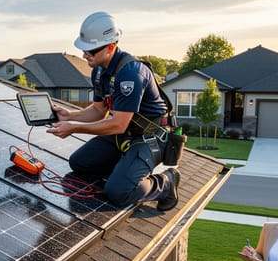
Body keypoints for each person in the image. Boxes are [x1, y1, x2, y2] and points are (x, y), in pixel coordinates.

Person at [47, 11, 179, 210]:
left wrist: (74, 127)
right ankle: (124, 172)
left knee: (118, 193)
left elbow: (118, 124)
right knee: (79, 163)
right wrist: (69, 115)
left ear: (110, 47)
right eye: (84, 50)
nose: (84, 55)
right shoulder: (99, 71)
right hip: (124, 135)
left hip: (149, 138)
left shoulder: (130, 74)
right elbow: (98, 110)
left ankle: (167, 183)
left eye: (91, 51)